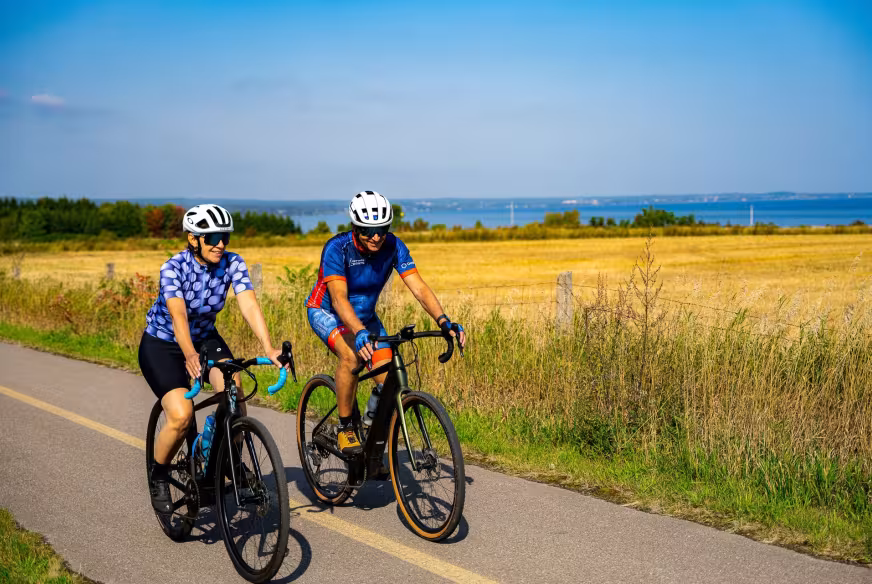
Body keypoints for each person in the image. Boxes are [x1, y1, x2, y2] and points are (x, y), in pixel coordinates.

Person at [139, 204, 286, 513]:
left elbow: (249, 304)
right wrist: (188, 353)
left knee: (234, 392)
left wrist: (269, 347)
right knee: (181, 416)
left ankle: (227, 460)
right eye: (213, 238)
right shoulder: (173, 268)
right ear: (194, 239)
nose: (221, 244)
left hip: (205, 338)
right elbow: (178, 316)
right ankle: (159, 474)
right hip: (163, 343)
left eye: (225, 237)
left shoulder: (233, 263)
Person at [306, 191, 466, 456]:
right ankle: (345, 428)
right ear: (355, 227)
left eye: (382, 229)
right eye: (368, 231)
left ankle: (369, 429)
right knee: (351, 357)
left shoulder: (393, 246)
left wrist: (444, 321)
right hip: (327, 312)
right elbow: (339, 299)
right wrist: (358, 331)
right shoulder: (337, 248)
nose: (376, 237)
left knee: (390, 381)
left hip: (365, 318)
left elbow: (419, 289)